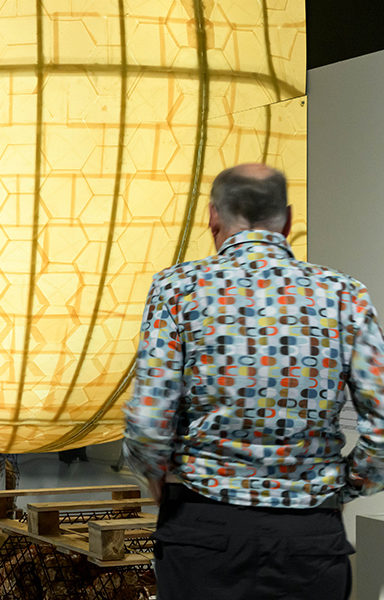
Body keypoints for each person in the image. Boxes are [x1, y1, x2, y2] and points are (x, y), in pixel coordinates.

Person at [123, 163, 384, 599]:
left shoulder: (178, 288)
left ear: (212, 217)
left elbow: (150, 419)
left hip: (203, 528)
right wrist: (351, 483)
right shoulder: (343, 294)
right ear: (288, 218)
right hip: (308, 534)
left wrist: (153, 474)